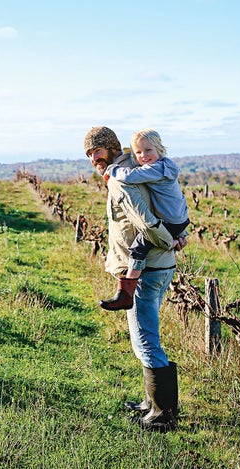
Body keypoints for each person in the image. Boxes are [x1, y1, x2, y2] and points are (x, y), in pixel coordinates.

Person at [83, 125, 183, 432]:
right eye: (88, 154)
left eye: (97, 150)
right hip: (154, 264)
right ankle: (151, 402)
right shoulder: (132, 168)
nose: (93, 158)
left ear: (112, 147)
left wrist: (169, 240)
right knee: (143, 337)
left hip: (147, 268)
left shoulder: (121, 178)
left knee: (145, 339)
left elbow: (146, 220)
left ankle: (163, 414)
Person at [99, 128, 190, 310]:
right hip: (177, 219)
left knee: (139, 247)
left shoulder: (157, 169)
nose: (144, 156)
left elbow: (132, 176)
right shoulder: (163, 166)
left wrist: (113, 171)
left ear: (159, 149)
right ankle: (125, 292)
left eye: (148, 150)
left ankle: (125, 293)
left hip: (170, 221)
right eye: (138, 152)